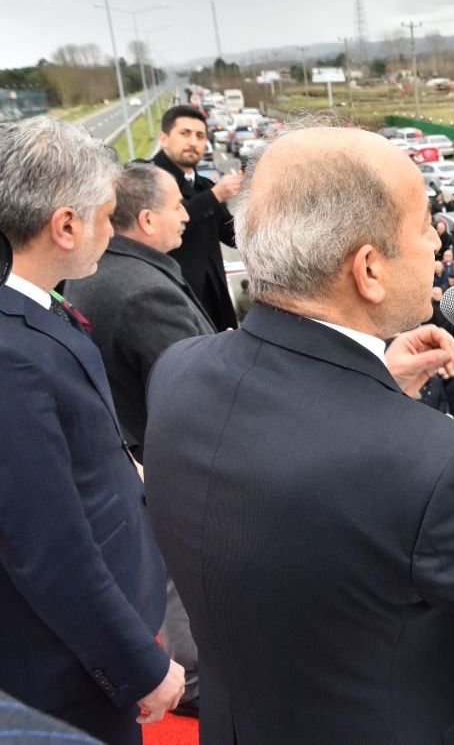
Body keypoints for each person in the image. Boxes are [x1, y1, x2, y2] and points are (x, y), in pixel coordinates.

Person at [143, 124, 454, 744]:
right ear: (369, 269)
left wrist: (371, 384)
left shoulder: (180, 373)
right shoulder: (426, 465)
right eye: (425, 224)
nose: (439, 240)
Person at [0, 117, 187, 743]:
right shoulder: (10, 356)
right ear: (65, 225)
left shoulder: (35, 302)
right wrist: (138, 665)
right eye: (106, 216)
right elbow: (46, 546)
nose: (114, 229)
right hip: (69, 670)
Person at [63, 161, 214, 460]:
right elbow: (199, 398)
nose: (186, 214)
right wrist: (227, 358)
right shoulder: (147, 295)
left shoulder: (96, 268)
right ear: (147, 220)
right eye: (177, 206)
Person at [151, 106, 241, 330]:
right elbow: (160, 222)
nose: (193, 142)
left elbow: (233, 235)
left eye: (200, 136)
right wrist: (215, 195)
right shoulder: (147, 177)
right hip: (173, 298)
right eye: (185, 133)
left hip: (214, 299)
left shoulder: (203, 185)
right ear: (163, 138)